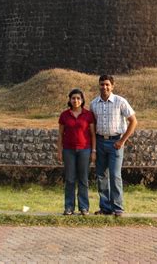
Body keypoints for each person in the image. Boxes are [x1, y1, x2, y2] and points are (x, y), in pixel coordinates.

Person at [90, 75, 137, 217]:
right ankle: (105, 208)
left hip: (115, 142)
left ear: (112, 86)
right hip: (99, 142)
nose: (104, 87)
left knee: (115, 175)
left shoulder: (120, 101)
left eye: (107, 84)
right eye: (102, 84)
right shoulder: (94, 104)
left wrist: (122, 141)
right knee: (101, 176)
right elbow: (92, 126)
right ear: (98, 85)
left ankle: (117, 208)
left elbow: (133, 121)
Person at [57, 88, 96, 216]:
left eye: (78, 98)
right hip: (69, 150)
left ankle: (84, 207)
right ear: (69, 100)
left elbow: (92, 134)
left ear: (82, 100)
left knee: (83, 179)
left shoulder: (88, 114)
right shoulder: (64, 115)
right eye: (73, 98)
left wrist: (93, 151)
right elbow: (60, 135)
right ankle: (69, 207)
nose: (76, 100)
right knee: (70, 179)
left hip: (84, 149)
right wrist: (59, 151)